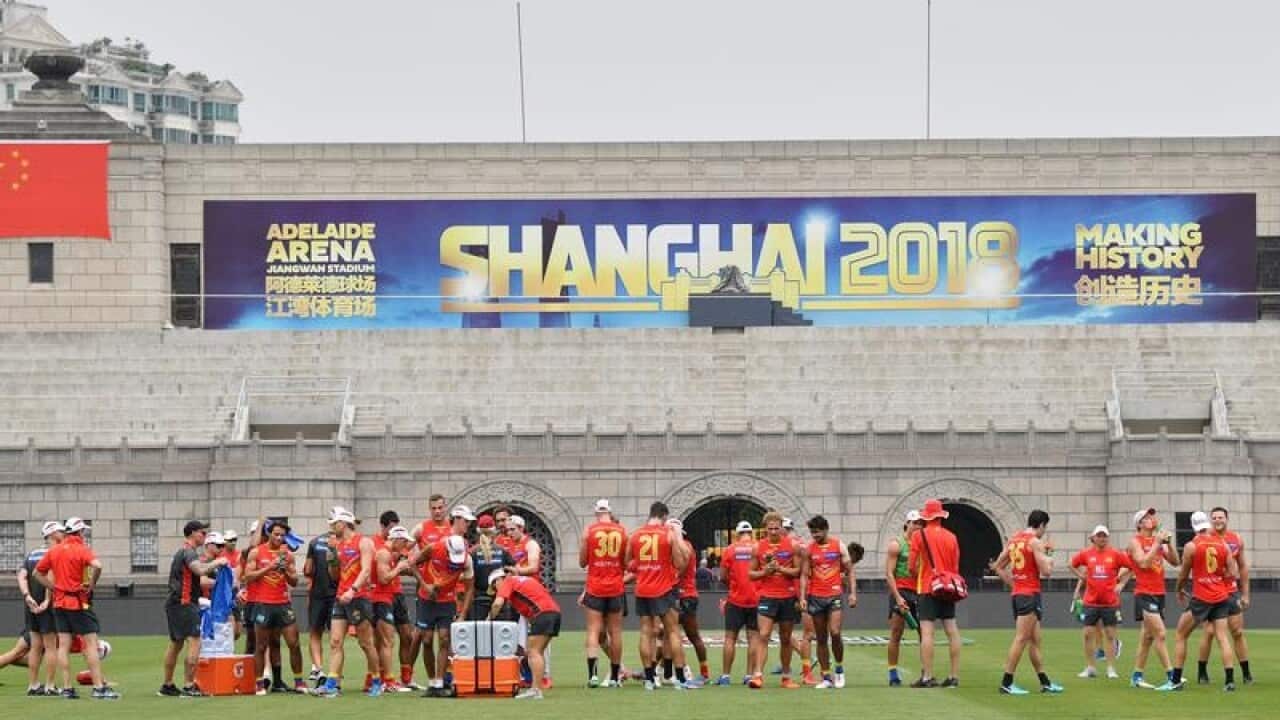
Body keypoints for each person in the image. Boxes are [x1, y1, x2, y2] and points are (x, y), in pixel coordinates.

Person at [33, 517, 116, 700]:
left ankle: (67, 688)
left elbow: (37, 573)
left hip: (60, 603)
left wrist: (53, 588)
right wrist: (92, 584)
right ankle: (98, 688)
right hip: (79, 603)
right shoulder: (81, 549)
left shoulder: (54, 551)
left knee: (63, 645)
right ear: (80, 532)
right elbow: (98, 566)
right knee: (91, 644)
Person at [1161, 510, 1239, 692]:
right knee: (1222, 637)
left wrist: (1179, 589)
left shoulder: (1191, 546)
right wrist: (1219, 577)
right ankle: (1229, 681)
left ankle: (1175, 680)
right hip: (1221, 596)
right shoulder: (1223, 544)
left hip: (1202, 597)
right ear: (1207, 524)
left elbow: (1184, 572)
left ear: (1193, 526)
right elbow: (1233, 572)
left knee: (1181, 634)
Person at [991, 509, 1063, 695]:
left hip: (1020, 594)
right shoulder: (1035, 542)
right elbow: (1046, 571)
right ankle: (1007, 682)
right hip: (1029, 594)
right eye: (1044, 528)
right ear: (1041, 525)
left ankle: (1045, 682)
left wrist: (1014, 585)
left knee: (1035, 640)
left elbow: (998, 566)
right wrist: (1050, 555)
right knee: (1022, 638)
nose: (1043, 532)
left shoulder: (1014, 540)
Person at [627, 502, 696, 690]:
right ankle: (680, 679)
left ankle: (649, 679)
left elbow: (628, 562)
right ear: (664, 516)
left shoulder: (636, 535)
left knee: (645, 633)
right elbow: (681, 562)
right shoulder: (667, 534)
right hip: (663, 589)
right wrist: (676, 537)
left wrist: (643, 566)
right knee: (673, 632)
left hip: (642, 589)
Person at [316, 507, 382, 698]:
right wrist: (332, 559)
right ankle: (332, 684)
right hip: (341, 597)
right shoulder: (337, 545)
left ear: (342, 523)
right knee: (335, 641)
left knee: (366, 643)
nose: (331, 528)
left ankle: (377, 680)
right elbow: (334, 575)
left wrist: (353, 591)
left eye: (333, 524)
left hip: (359, 597)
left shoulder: (364, 542)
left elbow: (366, 570)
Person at [156, 521, 225, 698]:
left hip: (175, 603)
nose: (204, 535)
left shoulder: (183, 551)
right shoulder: (188, 552)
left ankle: (168, 685)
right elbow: (198, 570)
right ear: (193, 533)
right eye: (202, 532)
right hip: (184, 603)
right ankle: (189, 686)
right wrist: (217, 563)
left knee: (176, 643)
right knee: (195, 641)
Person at [243, 520, 305, 694]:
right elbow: (247, 576)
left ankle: (299, 681)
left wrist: (284, 569)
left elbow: (294, 581)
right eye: (276, 534)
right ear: (269, 534)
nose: (279, 538)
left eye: (282, 535)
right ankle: (259, 683)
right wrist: (269, 567)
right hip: (263, 604)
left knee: (293, 643)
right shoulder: (257, 552)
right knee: (261, 646)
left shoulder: (288, 555)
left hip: (283, 603)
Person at [412, 534, 474, 697]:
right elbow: (411, 563)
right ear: (447, 549)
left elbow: (469, 589)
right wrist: (425, 585)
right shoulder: (433, 548)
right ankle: (432, 682)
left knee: (445, 639)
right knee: (426, 640)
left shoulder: (467, 560)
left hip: (447, 601)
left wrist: (462, 614)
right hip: (427, 599)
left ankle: (439, 683)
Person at [909, 499, 962, 689]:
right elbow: (955, 567)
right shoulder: (952, 537)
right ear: (940, 516)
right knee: (952, 631)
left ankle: (928, 676)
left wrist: (921, 576)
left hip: (927, 587)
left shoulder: (918, 535)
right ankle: (954, 676)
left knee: (927, 632)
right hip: (947, 587)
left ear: (926, 516)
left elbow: (911, 566)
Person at [1195, 507, 1251, 685]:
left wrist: (1245, 594)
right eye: (1215, 517)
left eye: (1221, 517)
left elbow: (1242, 567)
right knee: (1210, 632)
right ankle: (1202, 671)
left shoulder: (1236, 539)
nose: (1218, 520)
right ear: (1211, 520)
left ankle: (1246, 673)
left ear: (1227, 519)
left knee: (1238, 631)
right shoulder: (1203, 538)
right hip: (1210, 591)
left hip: (1231, 591)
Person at [799, 515, 855, 690]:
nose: (814, 535)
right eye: (812, 532)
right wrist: (802, 597)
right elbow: (804, 575)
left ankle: (839, 668)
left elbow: (850, 571)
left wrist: (853, 593)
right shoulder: (809, 550)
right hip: (816, 596)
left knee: (835, 632)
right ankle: (826, 676)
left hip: (834, 595)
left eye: (817, 532)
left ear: (826, 529)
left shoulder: (839, 546)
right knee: (821, 638)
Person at [1071, 525, 1133, 680]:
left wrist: (1122, 584)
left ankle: (1111, 668)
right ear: (1094, 537)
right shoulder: (1086, 554)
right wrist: (1082, 577)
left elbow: (1132, 567)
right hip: (1090, 601)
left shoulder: (1115, 554)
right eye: (1099, 535)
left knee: (1110, 635)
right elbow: (1071, 564)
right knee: (1087, 635)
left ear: (1108, 537)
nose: (1102, 538)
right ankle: (1090, 667)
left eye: (1104, 536)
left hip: (1110, 602)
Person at [488, 568, 562, 700]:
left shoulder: (508, 581)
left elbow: (497, 604)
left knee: (533, 652)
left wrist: (489, 619)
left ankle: (536, 690)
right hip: (554, 613)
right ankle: (536, 687)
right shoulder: (525, 580)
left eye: (494, 586)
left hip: (542, 614)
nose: (495, 590)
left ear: (499, 579)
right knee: (536, 652)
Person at [748, 511, 800, 689]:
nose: (773, 531)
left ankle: (786, 677)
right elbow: (751, 574)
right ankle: (757, 676)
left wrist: (780, 569)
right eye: (770, 529)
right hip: (767, 596)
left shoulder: (792, 546)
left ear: (781, 528)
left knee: (786, 638)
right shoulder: (758, 547)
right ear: (765, 529)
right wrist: (765, 572)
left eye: (776, 528)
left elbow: (798, 571)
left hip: (787, 596)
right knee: (763, 635)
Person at [1127, 507, 1178, 689]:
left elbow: (1175, 561)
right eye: (1148, 517)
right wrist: (1157, 543)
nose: (1153, 519)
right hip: (1144, 592)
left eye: (1153, 516)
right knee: (1160, 634)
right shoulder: (1135, 542)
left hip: (1159, 593)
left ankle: (1136, 676)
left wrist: (1169, 543)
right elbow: (1142, 562)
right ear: (1140, 523)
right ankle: (1172, 677)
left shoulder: (1157, 541)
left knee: (1147, 638)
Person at [579, 498, 627, 688]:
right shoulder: (622, 531)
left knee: (593, 630)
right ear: (610, 511)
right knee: (615, 632)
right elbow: (626, 561)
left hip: (595, 587)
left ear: (596, 512)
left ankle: (593, 676)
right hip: (615, 587)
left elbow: (582, 562)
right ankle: (615, 676)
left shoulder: (589, 531)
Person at [410, 493, 452, 683]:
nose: (437, 511)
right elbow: (406, 549)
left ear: (445, 507)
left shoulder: (453, 529)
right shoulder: (421, 528)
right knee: (426, 639)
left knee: (445, 638)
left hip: (448, 592)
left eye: (440, 507)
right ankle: (430, 679)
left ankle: (441, 679)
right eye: (434, 508)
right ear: (430, 509)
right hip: (425, 591)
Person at [18, 521, 62, 696]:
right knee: (51, 646)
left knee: (35, 646)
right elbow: (50, 575)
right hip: (47, 606)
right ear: (52, 534)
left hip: (30, 605)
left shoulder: (32, 554)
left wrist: (27, 596)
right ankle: (50, 686)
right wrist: (47, 600)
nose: (63, 534)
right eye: (60, 531)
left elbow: (22, 576)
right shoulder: (54, 553)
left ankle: (33, 685)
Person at [372, 521, 415, 693]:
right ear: (396, 539)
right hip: (380, 600)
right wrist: (399, 568)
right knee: (386, 641)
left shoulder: (389, 553)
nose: (405, 546)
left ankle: (388, 680)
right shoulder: (383, 553)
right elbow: (383, 579)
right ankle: (387, 681)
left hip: (387, 598)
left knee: (390, 640)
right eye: (404, 542)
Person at [718, 520, 760, 686]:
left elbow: (722, 576)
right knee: (753, 638)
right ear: (751, 532)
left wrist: (733, 586)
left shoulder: (730, 549)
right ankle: (749, 675)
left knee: (730, 638)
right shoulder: (758, 548)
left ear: (737, 533)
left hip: (735, 599)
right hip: (756, 599)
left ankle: (726, 676)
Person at [885, 510, 922, 686]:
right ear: (907, 523)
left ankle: (925, 671)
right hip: (901, 591)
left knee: (925, 633)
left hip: (920, 591)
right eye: (914, 523)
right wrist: (898, 597)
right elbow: (889, 574)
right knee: (896, 633)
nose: (917, 526)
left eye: (920, 523)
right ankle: (893, 672)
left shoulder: (923, 544)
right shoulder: (897, 544)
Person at [303, 522, 339, 688]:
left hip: (318, 593)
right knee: (335, 637)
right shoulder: (343, 542)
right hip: (335, 594)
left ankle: (318, 669)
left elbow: (308, 570)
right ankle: (332, 672)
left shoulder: (314, 542)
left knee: (315, 633)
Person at [676, 527, 710, 685]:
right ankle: (658, 669)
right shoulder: (687, 545)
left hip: (683, 595)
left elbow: (679, 570)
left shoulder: (683, 546)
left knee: (669, 634)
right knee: (675, 635)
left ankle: (685, 671)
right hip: (687, 594)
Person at [469, 514, 513, 621]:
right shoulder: (503, 551)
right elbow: (513, 571)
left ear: (478, 532)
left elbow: (468, 577)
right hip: (499, 598)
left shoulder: (472, 552)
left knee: (480, 635)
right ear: (493, 531)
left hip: (478, 601)